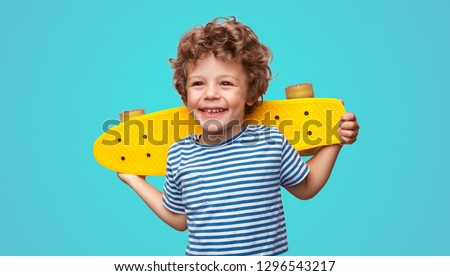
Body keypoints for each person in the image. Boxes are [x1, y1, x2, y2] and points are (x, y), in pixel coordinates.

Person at [118, 17, 359, 256]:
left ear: (251, 93)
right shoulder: (179, 154)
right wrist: (134, 180)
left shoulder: (271, 141)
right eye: (198, 83)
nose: (210, 93)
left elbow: (306, 187)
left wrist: (334, 139)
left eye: (225, 83)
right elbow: (180, 219)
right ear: (185, 95)